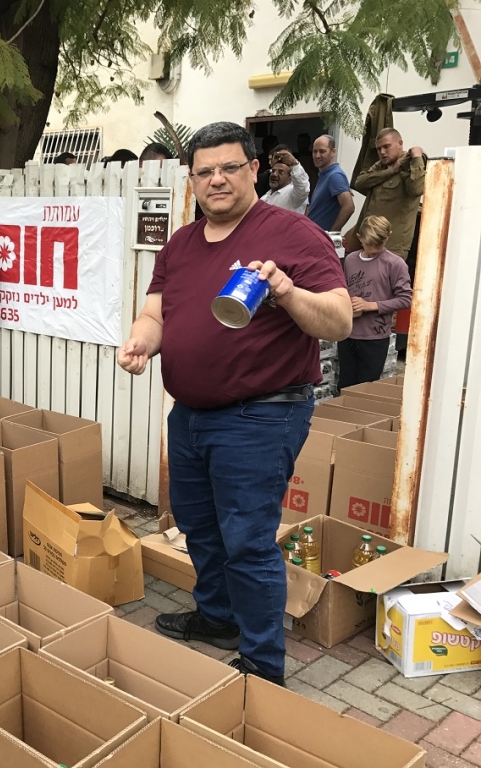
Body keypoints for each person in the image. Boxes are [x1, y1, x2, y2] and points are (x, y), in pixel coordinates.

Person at [117, 122, 351, 686]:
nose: (216, 179)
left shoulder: (294, 234)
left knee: (247, 542)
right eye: (204, 171)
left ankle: (263, 667)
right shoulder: (180, 245)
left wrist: (287, 292)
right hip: (190, 415)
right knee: (199, 527)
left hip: (262, 413)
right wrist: (141, 342)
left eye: (228, 167)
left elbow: (340, 321)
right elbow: (155, 313)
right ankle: (218, 620)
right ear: (192, 179)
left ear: (253, 169)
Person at [339, 216, 412, 389]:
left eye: (378, 245)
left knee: (367, 388)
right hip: (347, 333)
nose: (373, 249)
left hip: (375, 337)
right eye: (369, 244)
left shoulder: (395, 264)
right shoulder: (350, 260)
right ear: (360, 238)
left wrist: (371, 305)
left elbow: (405, 299)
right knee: (344, 386)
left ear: (387, 238)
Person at [350, 129, 425, 258]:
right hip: (369, 240)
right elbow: (359, 182)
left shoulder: (410, 165)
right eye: (379, 149)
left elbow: (417, 189)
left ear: (400, 144)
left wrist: (417, 157)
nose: (382, 152)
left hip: (392, 245)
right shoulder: (381, 166)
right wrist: (391, 171)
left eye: (386, 147)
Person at [306, 135, 354, 233]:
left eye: (322, 151)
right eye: (315, 151)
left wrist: (331, 234)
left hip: (322, 237)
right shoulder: (325, 174)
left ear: (333, 152)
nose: (317, 156)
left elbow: (349, 207)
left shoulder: (335, 175)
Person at [260, 148, 310, 213]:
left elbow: (303, 186)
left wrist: (294, 164)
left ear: (290, 178)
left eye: (281, 172)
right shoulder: (264, 198)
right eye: (273, 171)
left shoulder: (294, 195)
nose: (274, 174)